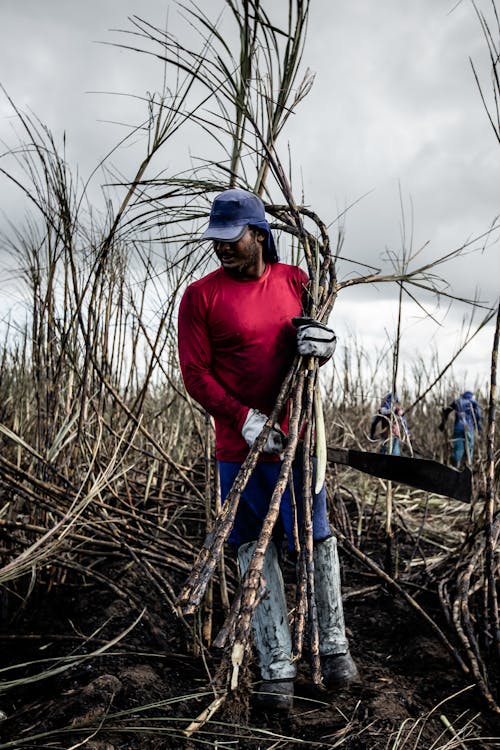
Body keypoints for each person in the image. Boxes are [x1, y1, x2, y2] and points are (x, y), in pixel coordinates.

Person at [177, 188, 359, 711]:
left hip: (301, 440)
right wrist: (246, 419)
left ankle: (335, 650)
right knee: (253, 548)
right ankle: (276, 666)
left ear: (259, 234)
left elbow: (316, 348)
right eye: (216, 240)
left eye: (232, 239)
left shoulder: (297, 282)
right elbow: (195, 375)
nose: (222, 249)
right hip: (239, 449)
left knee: (317, 537)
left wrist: (324, 346)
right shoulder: (200, 297)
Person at [438, 390, 482, 468]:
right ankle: (468, 468)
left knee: (458, 450)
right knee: (469, 450)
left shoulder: (458, 401)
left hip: (458, 428)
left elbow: (447, 411)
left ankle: (456, 468)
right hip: (469, 428)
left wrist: (442, 424)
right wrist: (479, 428)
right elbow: (478, 416)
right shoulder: (473, 402)